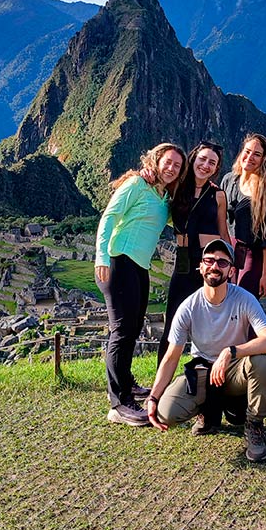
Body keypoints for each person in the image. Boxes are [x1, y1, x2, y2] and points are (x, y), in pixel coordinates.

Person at [146, 239, 266, 463]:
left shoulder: (245, 299)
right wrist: (153, 396)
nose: (214, 266)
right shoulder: (189, 306)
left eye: (222, 262)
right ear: (200, 266)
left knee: (261, 362)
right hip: (203, 370)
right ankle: (207, 412)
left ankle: (254, 424)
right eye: (209, 260)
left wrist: (231, 352)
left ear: (232, 271)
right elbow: (171, 357)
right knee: (166, 412)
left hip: (234, 370)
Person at [96, 143, 187, 426]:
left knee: (133, 328)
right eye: (167, 162)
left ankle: (127, 383)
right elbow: (109, 216)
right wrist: (100, 256)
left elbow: (184, 216)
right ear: (155, 161)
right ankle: (119, 403)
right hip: (118, 260)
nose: (171, 168)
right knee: (122, 331)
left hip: (140, 266)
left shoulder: (163, 199)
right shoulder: (137, 183)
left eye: (177, 166)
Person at [156, 142, 231, 364]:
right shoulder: (176, 187)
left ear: (216, 168)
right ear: (193, 158)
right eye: (202, 159)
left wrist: (229, 265)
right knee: (173, 319)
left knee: (210, 319)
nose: (205, 165)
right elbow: (156, 177)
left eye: (212, 163)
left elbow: (223, 233)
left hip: (210, 262)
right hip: (184, 260)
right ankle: (162, 377)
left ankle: (213, 373)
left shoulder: (218, 195)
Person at [219, 133, 266, 298]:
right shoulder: (229, 180)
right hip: (227, 249)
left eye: (257, 154)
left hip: (250, 254)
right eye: (247, 151)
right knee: (222, 301)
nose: (250, 157)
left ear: (264, 159)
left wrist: (265, 275)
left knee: (242, 300)